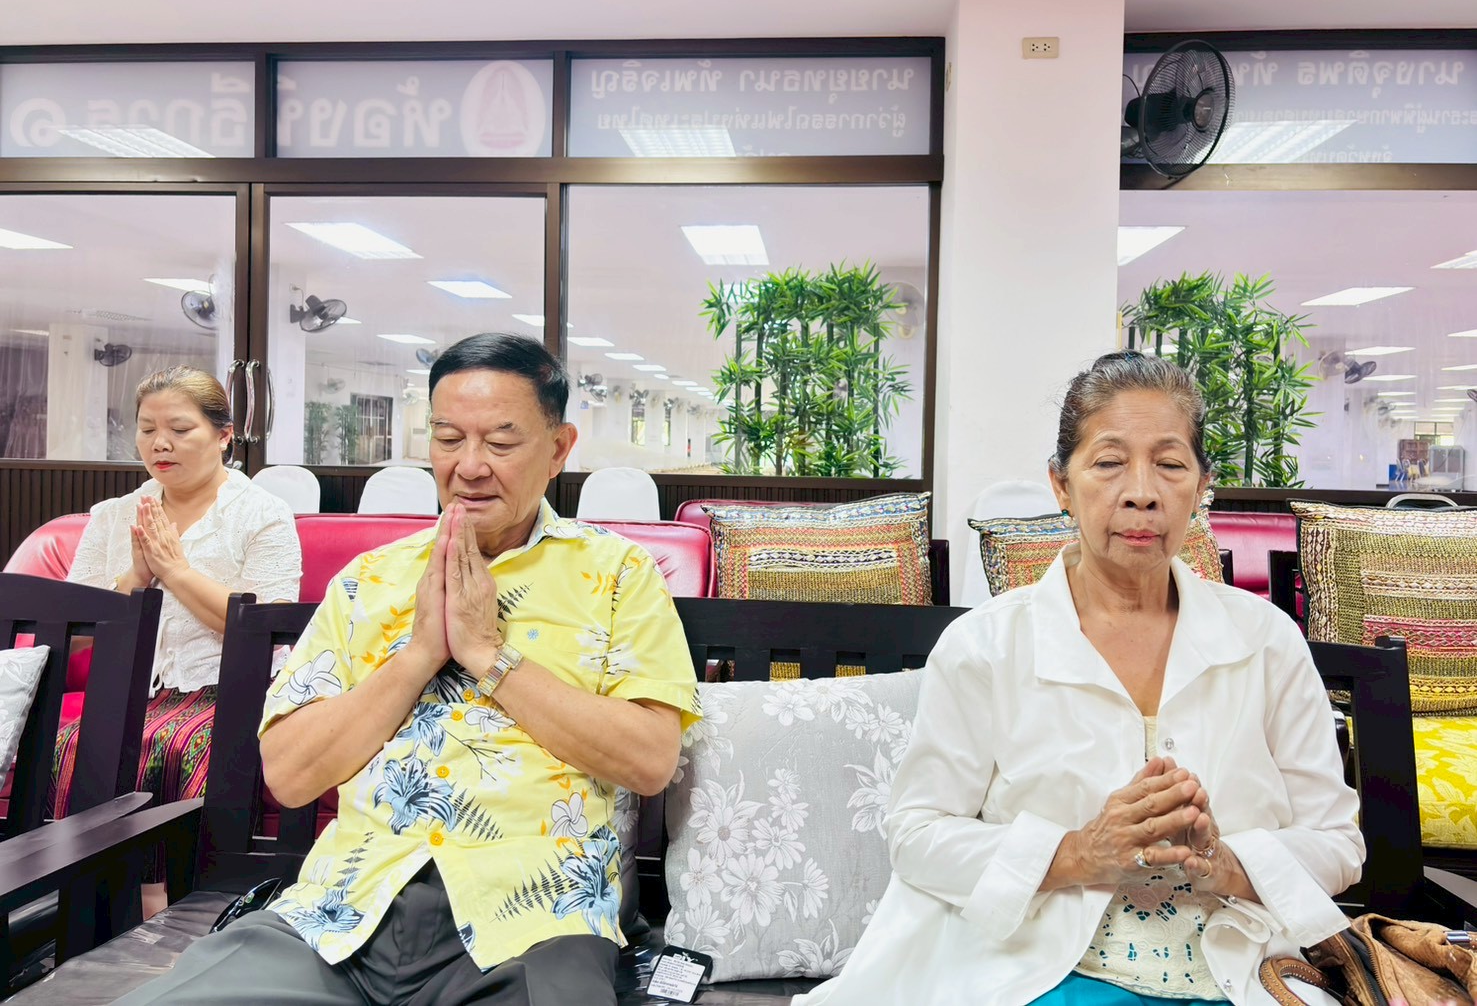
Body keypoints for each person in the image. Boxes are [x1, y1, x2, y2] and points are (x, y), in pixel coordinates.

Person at [117, 333, 700, 1006]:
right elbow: (290, 774)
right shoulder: (371, 578)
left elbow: (649, 760)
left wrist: (488, 656)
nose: (470, 466)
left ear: (558, 450)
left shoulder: (618, 573)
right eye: (448, 439)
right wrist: (420, 654)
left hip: (536, 917)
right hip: (342, 908)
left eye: (501, 443)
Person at [796, 352, 1363, 1006]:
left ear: (1201, 486)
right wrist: (1078, 853)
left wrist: (1224, 864)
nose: (1141, 491)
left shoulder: (1265, 641)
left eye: (1170, 464)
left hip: (1242, 968)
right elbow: (917, 834)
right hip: (1042, 968)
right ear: (1061, 485)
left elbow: (1336, 843)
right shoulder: (986, 646)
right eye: (1109, 462)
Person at [59, 366, 302, 827]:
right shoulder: (115, 516)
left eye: (180, 430)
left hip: (233, 693)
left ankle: (175, 877)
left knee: (179, 746)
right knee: (75, 746)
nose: (160, 444)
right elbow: (72, 635)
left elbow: (269, 630)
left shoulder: (263, 514)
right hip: (129, 693)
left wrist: (176, 572)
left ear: (224, 437)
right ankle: (87, 875)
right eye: (147, 429)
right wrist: (137, 576)